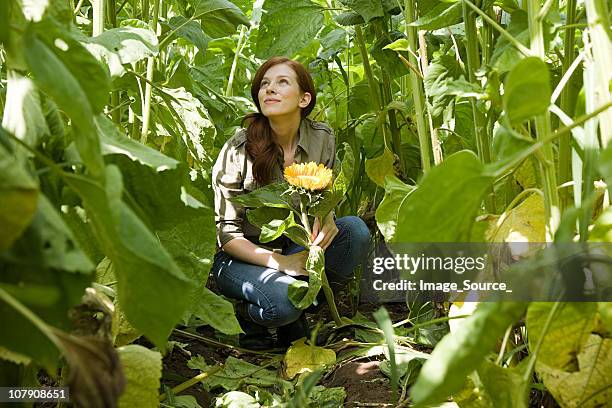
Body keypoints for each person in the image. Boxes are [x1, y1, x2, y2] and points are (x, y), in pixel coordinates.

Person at [211, 56, 371, 349]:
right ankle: (251, 316)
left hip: (296, 246)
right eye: (264, 84)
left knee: (355, 232)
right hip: (243, 256)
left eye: (282, 82)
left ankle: (302, 311)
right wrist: (281, 263)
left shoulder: (322, 138)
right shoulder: (238, 147)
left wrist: (328, 218)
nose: (269, 89)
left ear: (304, 98)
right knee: (282, 302)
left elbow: (324, 196)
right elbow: (227, 235)